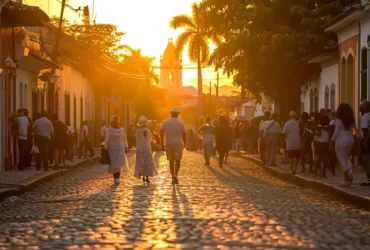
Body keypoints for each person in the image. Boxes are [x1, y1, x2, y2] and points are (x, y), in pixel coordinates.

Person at [331, 103, 356, 187]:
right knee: (346, 158)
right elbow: (355, 129)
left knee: (342, 159)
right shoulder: (351, 119)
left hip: (341, 140)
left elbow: (336, 131)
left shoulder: (338, 120)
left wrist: (332, 140)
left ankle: (347, 178)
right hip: (350, 139)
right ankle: (350, 174)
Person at [160, 107, 186, 185]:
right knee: (177, 160)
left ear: (170, 114)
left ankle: (172, 177)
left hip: (169, 143)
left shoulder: (165, 122)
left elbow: (161, 131)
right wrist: (185, 142)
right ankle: (176, 174)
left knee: (171, 161)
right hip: (178, 143)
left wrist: (162, 142)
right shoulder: (181, 123)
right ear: (177, 114)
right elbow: (184, 133)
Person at [102, 115, 129, 184]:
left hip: (121, 148)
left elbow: (124, 139)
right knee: (114, 163)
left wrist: (126, 147)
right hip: (112, 149)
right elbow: (107, 139)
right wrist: (103, 144)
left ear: (118, 122)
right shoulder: (109, 130)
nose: (115, 123)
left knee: (119, 163)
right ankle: (115, 177)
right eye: (114, 122)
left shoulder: (122, 130)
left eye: (116, 122)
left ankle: (117, 177)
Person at [134, 116, 158, 183]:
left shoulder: (138, 131)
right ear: (146, 124)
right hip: (146, 147)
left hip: (139, 148)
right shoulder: (148, 131)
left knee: (141, 162)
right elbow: (150, 140)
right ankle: (147, 177)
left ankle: (143, 176)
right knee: (147, 161)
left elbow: (137, 140)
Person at [359, 101, 370, 186]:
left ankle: (369, 178)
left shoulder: (364, 118)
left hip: (367, 140)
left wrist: (365, 143)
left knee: (366, 160)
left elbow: (365, 131)